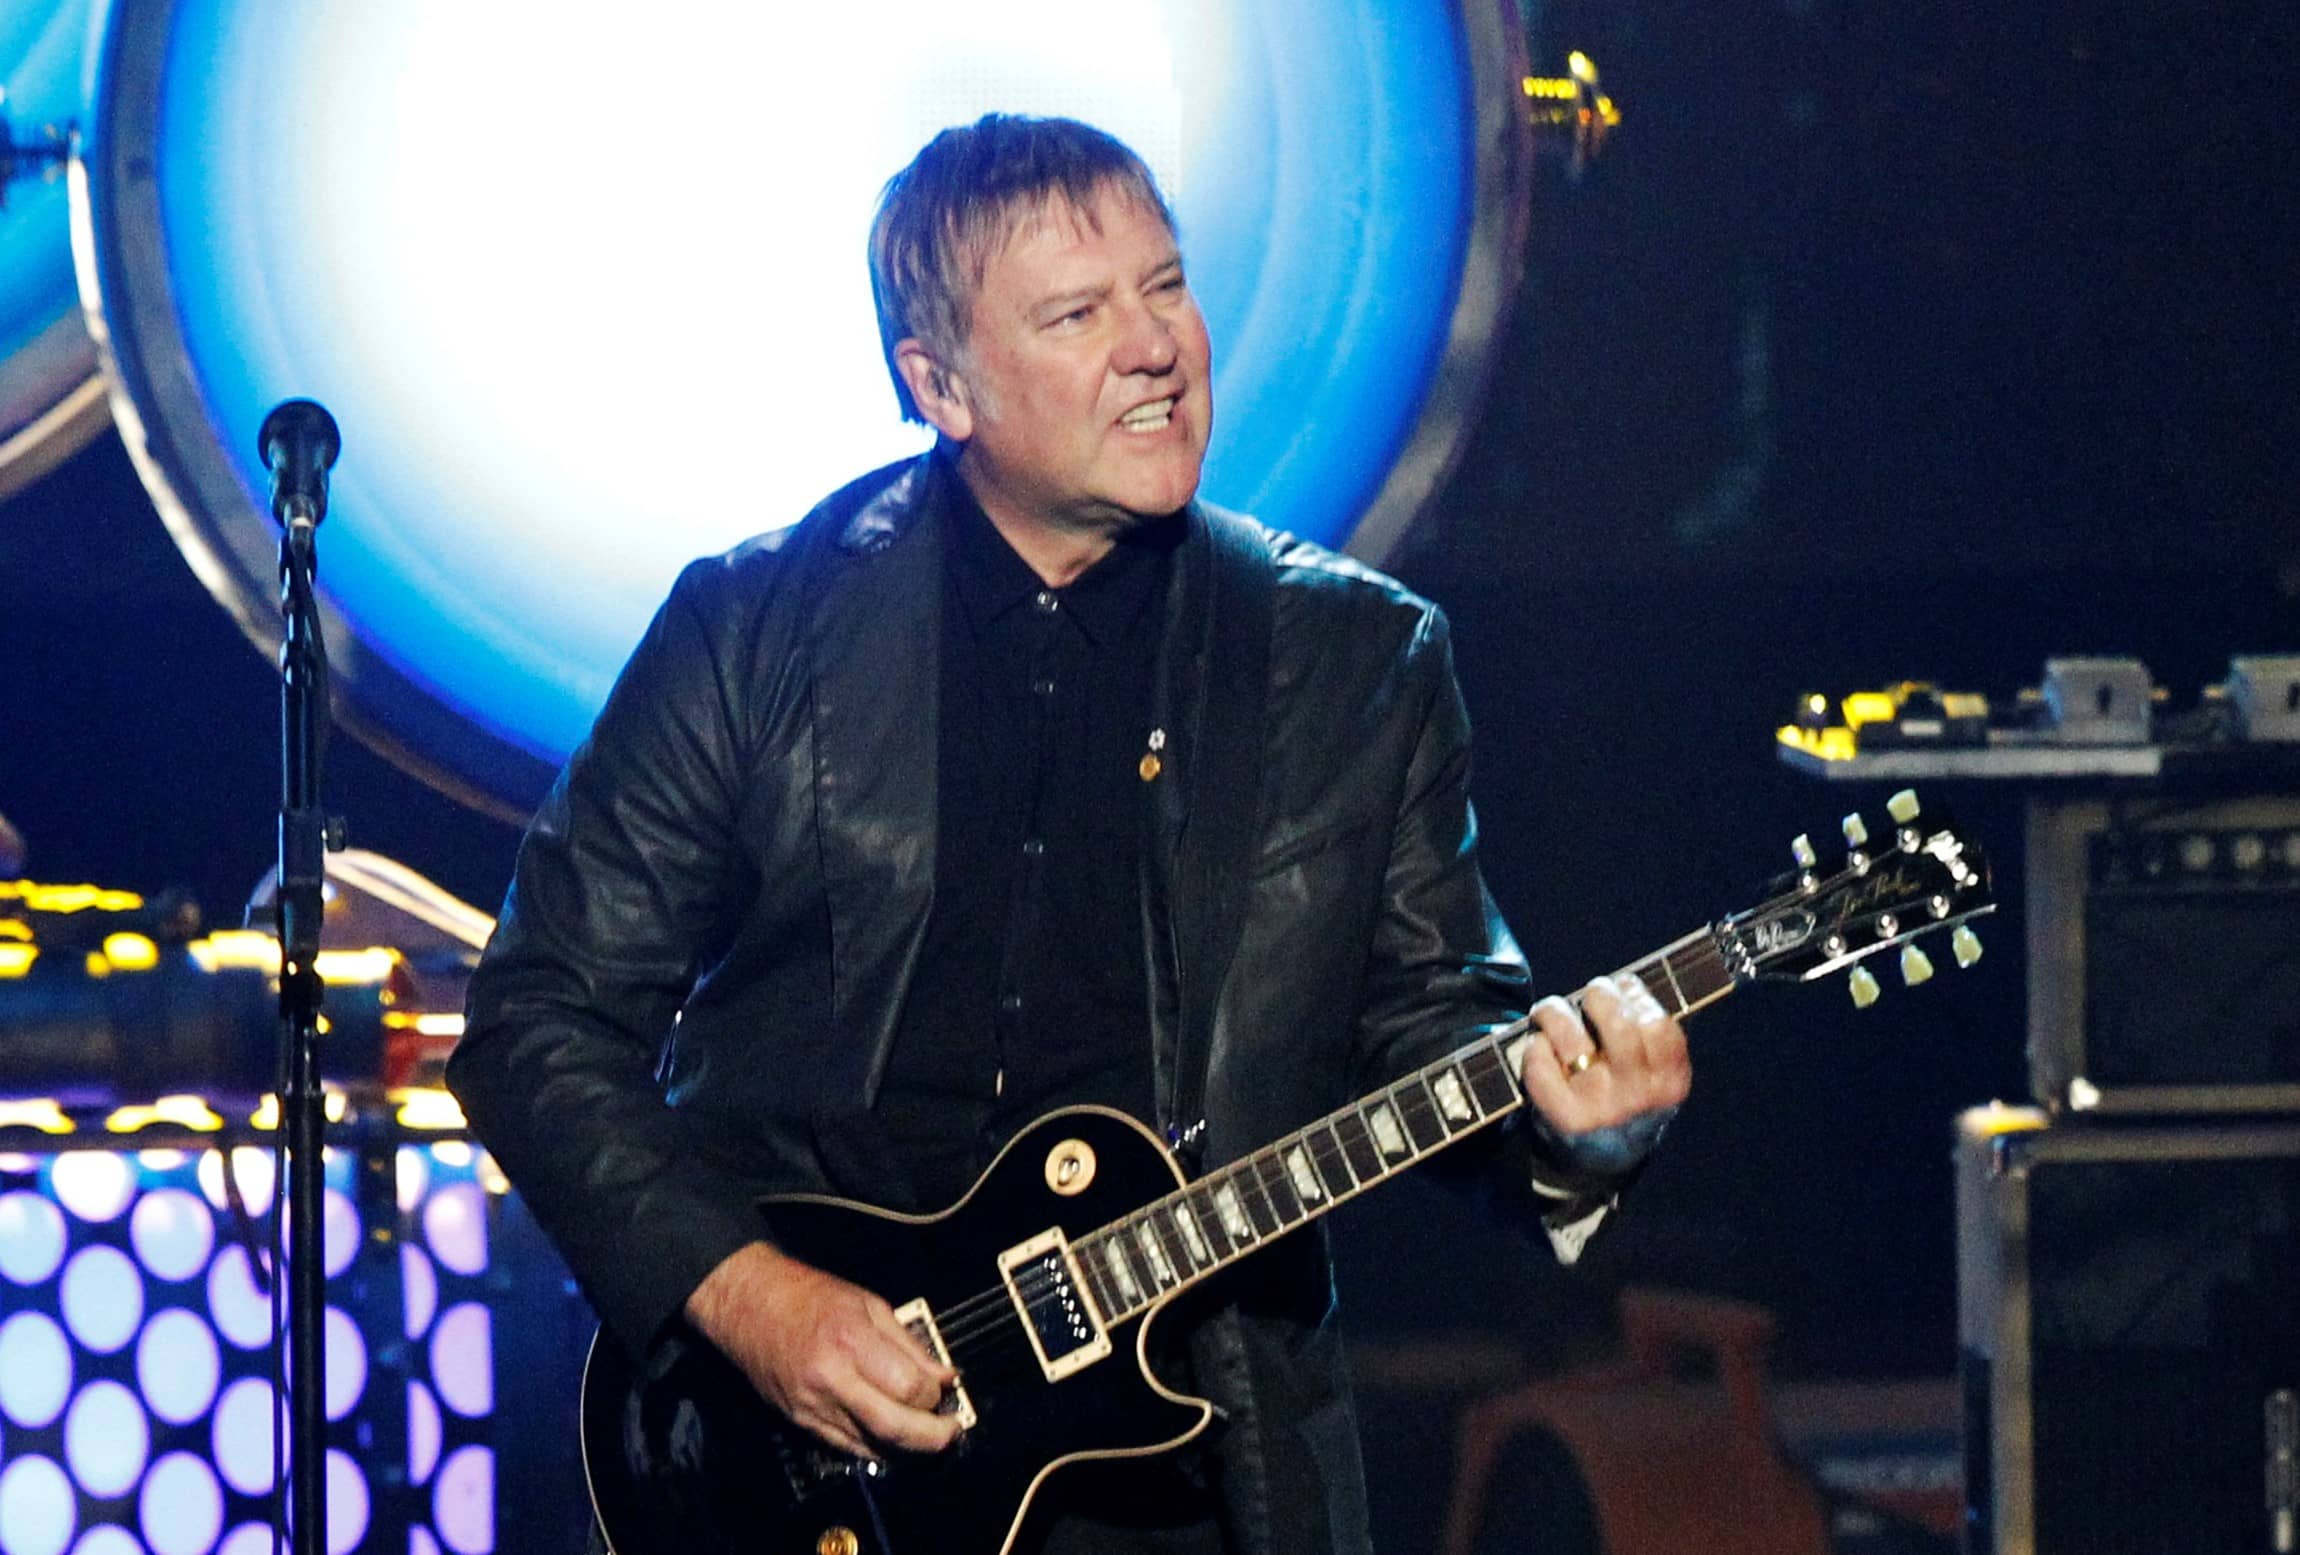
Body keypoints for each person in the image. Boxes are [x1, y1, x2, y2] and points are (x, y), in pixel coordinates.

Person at [448, 113, 1691, 1555]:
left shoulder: (1353, 659)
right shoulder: (755, 629)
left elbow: (1436, 1028)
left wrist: (1577, 1133)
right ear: (941, 385)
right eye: (1077, 313)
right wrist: (749, 1295)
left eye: (1166, 287)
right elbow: (540, 1019)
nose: (1154, 344)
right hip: (794, 1457)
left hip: (1193, 1479)